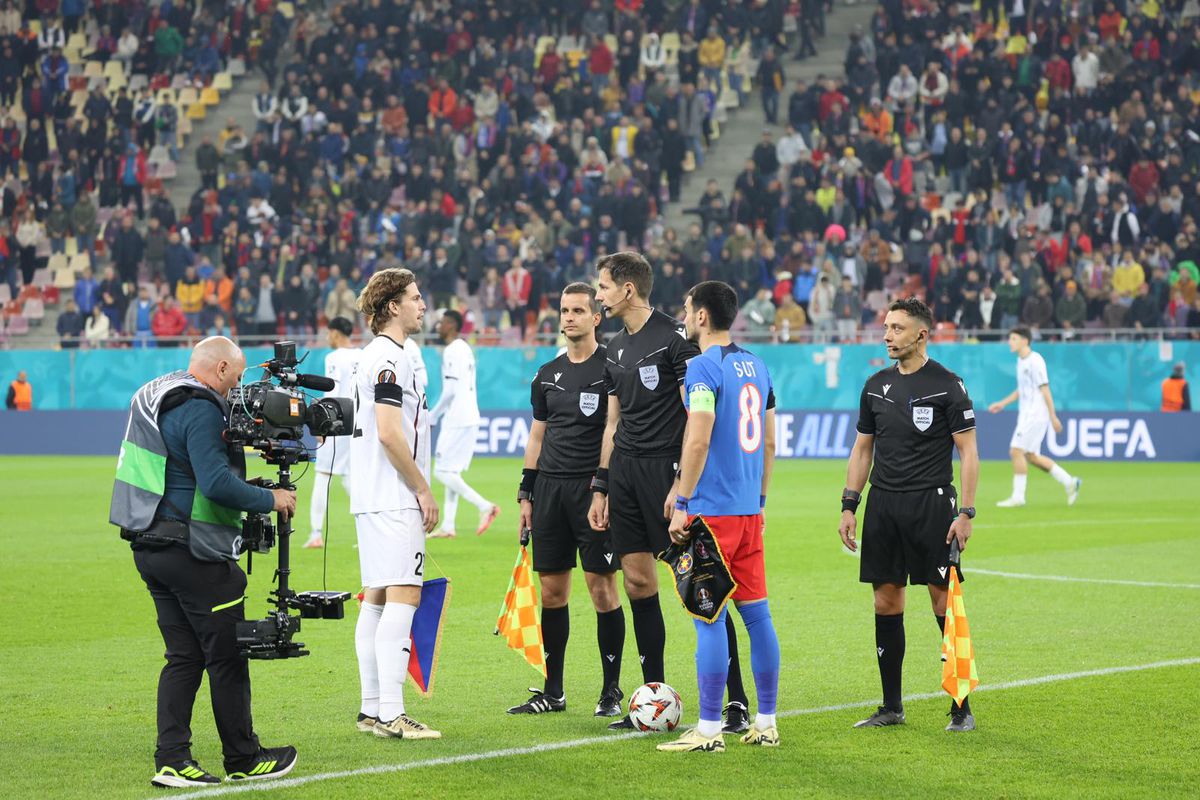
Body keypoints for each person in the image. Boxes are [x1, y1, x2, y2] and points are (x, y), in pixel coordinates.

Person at [109, 336, 299, 787]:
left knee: (183, 657)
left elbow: (184, 473)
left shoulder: (160, 392)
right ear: (219, 369)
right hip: (192, 551)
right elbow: (214, 485)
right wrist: (269, 498)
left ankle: (172, 759)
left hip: (150, 542)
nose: (238, 386)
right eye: (236, 375)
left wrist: (245, 486)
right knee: (227, 655)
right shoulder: (200, 406)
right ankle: (244, 757)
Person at [589, 252, 750, 733]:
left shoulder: (676, 341)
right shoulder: (613, 348)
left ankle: (736, 700)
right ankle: (653, 697)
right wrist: (602, 484)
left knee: (703, 587)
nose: (598, 296)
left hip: (669, 474)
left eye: (603, 287)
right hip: (626, 475)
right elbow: (612, 422)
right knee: (638, 582)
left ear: (628, 290)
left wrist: (683, 483)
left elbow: (696, 414)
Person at [837, 298, 979, 733]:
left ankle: (961, 707)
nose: (886, 336)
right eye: (885, 327)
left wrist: (967, 512)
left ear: (921, 334)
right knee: (886, 600)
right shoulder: (875, 385)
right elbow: (863, 449)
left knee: (943, 600)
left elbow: (968, 451)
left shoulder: (947, 385)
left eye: (896, 328)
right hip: (883, 504)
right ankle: (891, 706)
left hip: (931, 505)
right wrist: (849, 503)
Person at [658, 281, 781, 753]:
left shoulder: (702, 369)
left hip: (711, 513)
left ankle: (708, 730)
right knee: (757, 616)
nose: (684, 317)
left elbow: (699, 437)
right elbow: (769, 441)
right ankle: (766, 722)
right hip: (749, 510)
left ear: (703, 316)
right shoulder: (759, 365)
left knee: (707, 619)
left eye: (687, 309)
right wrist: (762, 498)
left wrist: (683, 499)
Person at [507, 283, 625, 717]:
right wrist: (526, 492)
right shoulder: (546, 373)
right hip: (550, 492)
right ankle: (551, 691)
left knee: (602, 590)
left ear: (597, 317)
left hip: (591, 492)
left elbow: (615, 431)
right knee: (552, 593)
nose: (569, 317)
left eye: (578, 310)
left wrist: (604, 485)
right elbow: (537, 434)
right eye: (564, 310)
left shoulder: (611, 368)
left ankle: (610, 690)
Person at [349, 268, 442, 740]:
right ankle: (391, 713)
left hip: (369, 496)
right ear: (392, 307)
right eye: (415, 297)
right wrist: (422, 488)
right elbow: (389, 431)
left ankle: (371, 709)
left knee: (378, 599)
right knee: (404, 595)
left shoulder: (374, 356)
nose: (423, 306)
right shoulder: (392, 358)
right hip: (392, 497)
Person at [987, 327, 1081, 507]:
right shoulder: (1020, 362)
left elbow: (1045, 388)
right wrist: (1003, 403)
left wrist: (1053, 416)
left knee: (1015, 451)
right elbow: (1021, 390)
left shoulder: (1035, 361)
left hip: (1036, 414)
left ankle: (1018, 497)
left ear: (1024, 340)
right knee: (1031, 456)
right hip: (1026, 414)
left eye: (1013, 338)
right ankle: (1070, 482)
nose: (1010, 342)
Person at [428, 310, 499, 538]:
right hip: (470, 415)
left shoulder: (451, 350)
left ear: (450, 325)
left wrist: (433, 415)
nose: (438, 326)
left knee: (440, 471)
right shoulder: (465, 348)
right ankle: (449, 525)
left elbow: (450, 390)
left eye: (441, 323)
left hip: (457, 417)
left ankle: (485, 506)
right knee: (452, 471)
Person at [304, 318, 360, 548]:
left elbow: (333, 389)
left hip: (337, 422)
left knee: (323, 474)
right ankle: (367, 529)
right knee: (349, 477)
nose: (327, 337)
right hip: (357, 420)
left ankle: (316, 533)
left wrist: (322, 424)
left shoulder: (334, 358)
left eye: (328, 333)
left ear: (336, 333)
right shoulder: (362, 355)